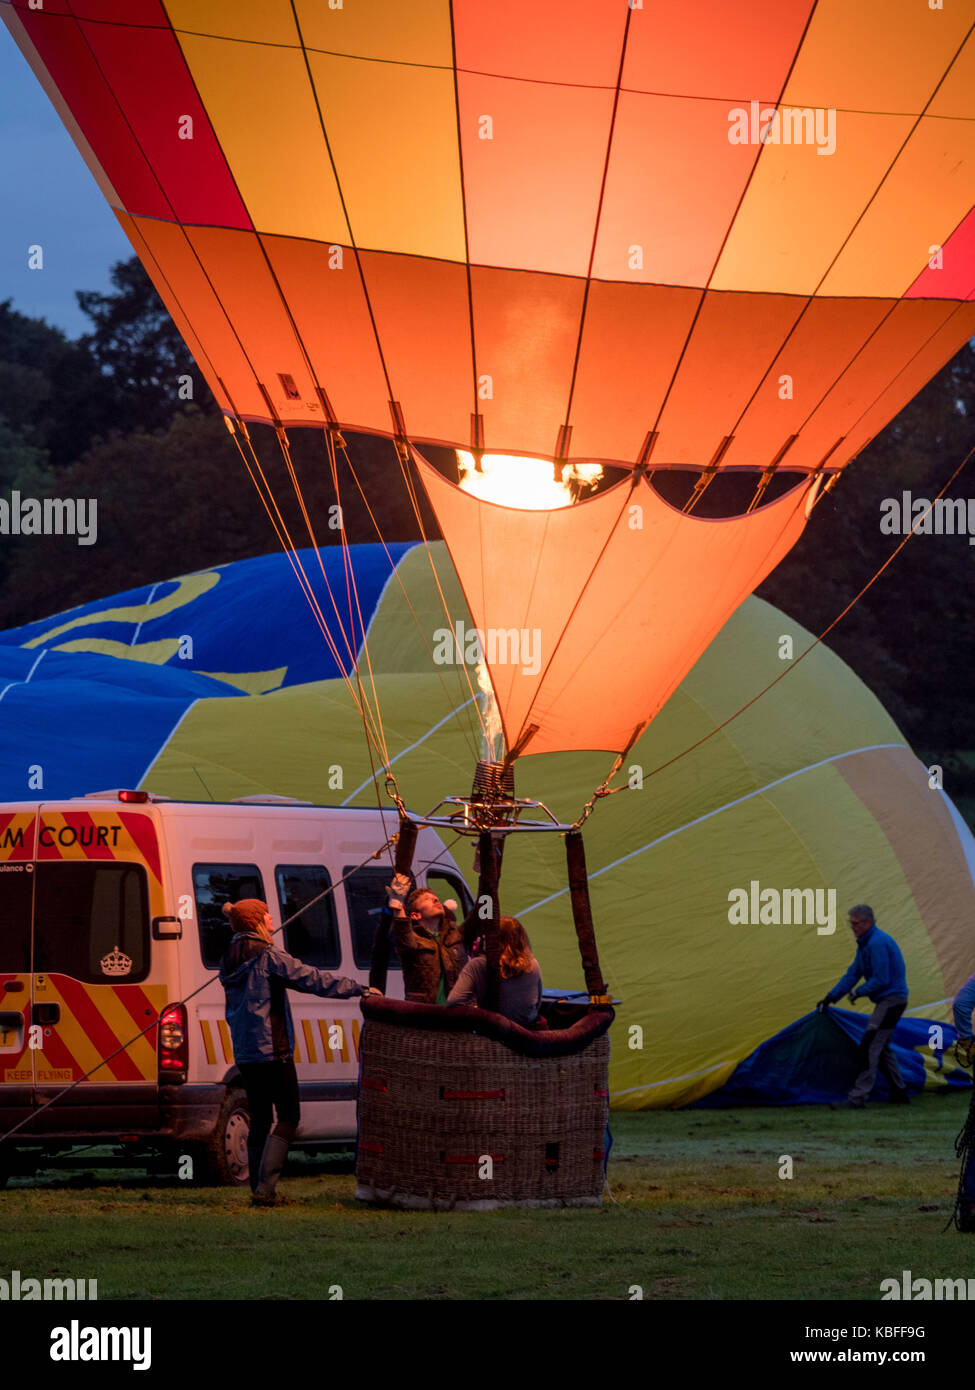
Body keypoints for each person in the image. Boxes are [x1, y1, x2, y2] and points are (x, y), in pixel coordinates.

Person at [218, 898, 377, 1205]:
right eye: (266, 915)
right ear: (255, 922)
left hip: (245, 1052)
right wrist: (359, 989)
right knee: (290, 1116)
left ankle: (256, 1189)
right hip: (273, 1050)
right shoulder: (267, 955)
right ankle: (266, 1190)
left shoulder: (228, 956)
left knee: (261, 1118)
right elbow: (312, 979)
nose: (271, 918)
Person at [816, 904, 910, 1109]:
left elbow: (882, 979)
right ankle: (900, 1093)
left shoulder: (876, 943)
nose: (852, 927)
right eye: (851, 924)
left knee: (869, 1046)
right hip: (890, 1001)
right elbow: (852, 974)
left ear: (867, 922)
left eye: (855, 923)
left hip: (891, 1001)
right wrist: (830, 997)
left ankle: (857, 1098)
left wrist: (858, 992)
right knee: (881, 1048)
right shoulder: (866, 944)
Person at [387, 876, 478, 1004]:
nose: (436, 899)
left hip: (461, 1017)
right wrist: (396, 902)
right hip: (426, 1017)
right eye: (427, 899)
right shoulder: (413, 941)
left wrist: (487, 878)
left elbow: (483, 915)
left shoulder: (457, 934)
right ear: (415, 915)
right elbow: (402, 931)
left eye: (435, 897)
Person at [447, 915, 543, 1027]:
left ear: (491, 938)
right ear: (521, 939)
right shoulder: (532, 964)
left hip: (491, 1033)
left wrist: (477, 1011)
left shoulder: (478, 965)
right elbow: (537, 1003)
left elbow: (453, 1001)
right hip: (526, 1034)